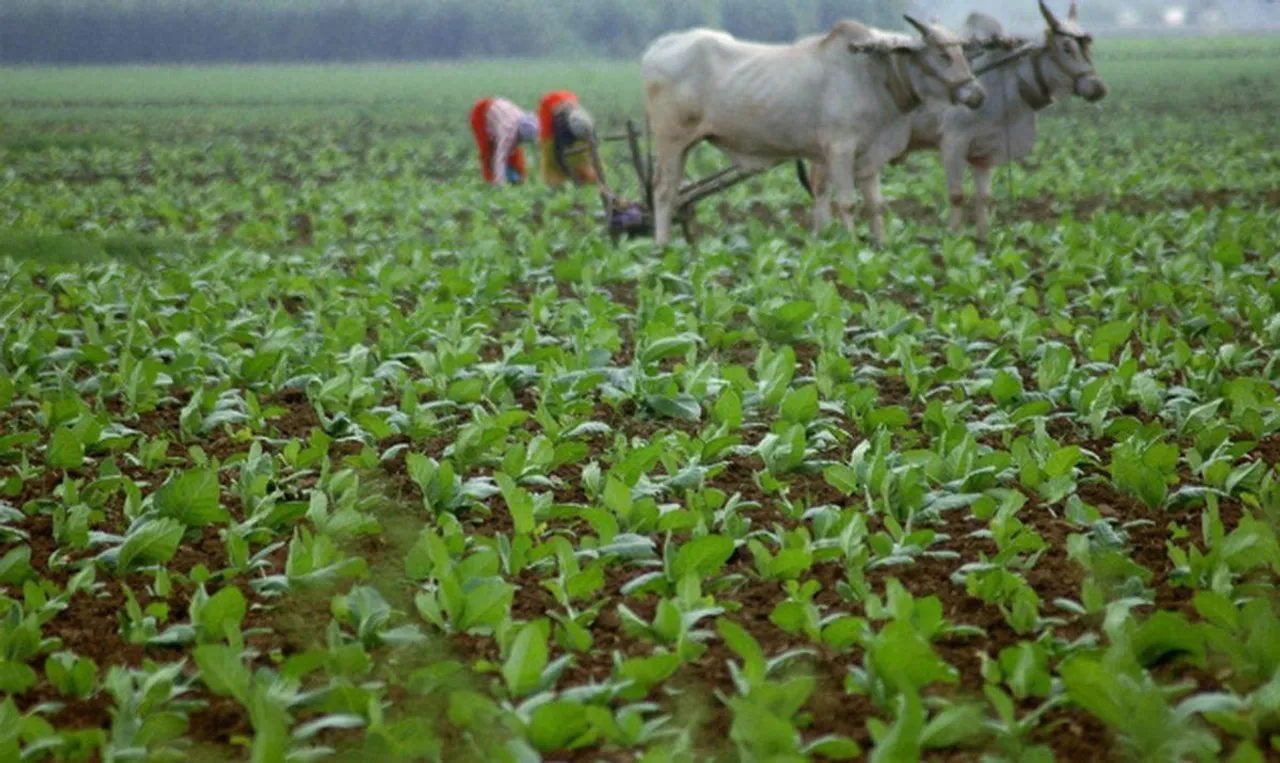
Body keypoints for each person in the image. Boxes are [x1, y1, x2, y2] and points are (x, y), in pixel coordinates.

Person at [469, 97, 538, 185]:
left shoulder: (529, 122)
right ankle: (490, 181)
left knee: (514, 154)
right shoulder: (508, 132)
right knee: (488, 153)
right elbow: (500, 157)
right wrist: (500, 183)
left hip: (500, 114)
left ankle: (518, 178)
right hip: (482, 114)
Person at [537, 91, 599, 187]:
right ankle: (557, 187)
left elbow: (594, 145)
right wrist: (570, 175)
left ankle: (587, 178)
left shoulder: (587, 123)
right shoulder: (560, 127)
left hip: (568, 101)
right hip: (549, 116)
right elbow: (559, 154)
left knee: (583, 159)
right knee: (553, 165)